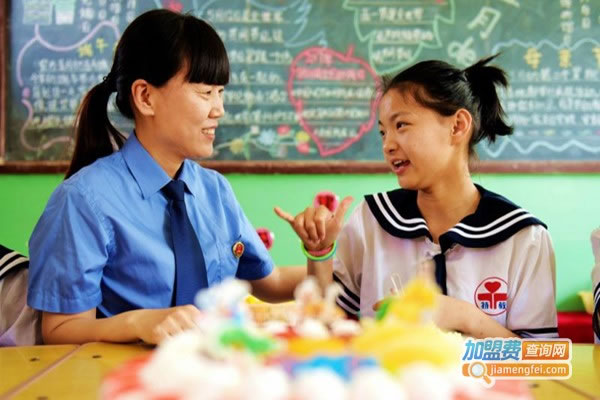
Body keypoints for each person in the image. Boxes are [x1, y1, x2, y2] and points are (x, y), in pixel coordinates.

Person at [27, 9, 305, 345]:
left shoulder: (215, 190)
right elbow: (59, 331)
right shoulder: (83, 200)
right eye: (205, 92)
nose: (219, 109)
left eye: (220, 92)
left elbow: (270, 283)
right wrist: (137, 322)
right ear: (145, 97)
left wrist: (326, 256)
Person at [276, 55, 558, 339]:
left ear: (458, 126)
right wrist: (319, 254)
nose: (387, 145)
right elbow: (327, 330)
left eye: (401, 125)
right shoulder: (371, 219)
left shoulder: (524, 238)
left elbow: (543, 358)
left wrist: (466, 317)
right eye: (383, 132)